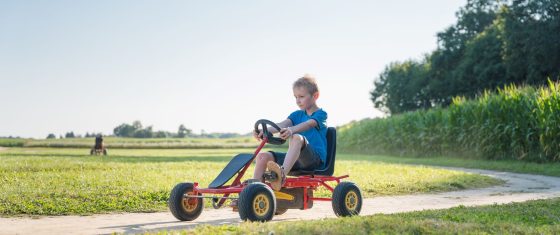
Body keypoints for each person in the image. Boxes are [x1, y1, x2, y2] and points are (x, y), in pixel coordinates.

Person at [252, 75, 328, 191]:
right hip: (295, 160)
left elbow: (309, 124)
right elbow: (282, 125)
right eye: (295, 97)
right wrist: (264, 131)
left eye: (301, 96)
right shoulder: (297, 115)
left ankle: (281, 175)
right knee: (262, 156)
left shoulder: (321, 114)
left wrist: (292, 130)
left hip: (314, 160)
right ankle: (254, 191)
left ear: (315, 96)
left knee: (296, 138)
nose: (298, 101)